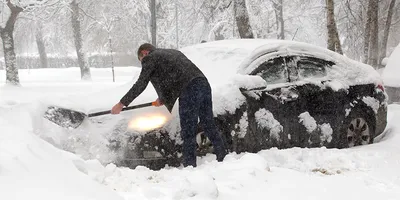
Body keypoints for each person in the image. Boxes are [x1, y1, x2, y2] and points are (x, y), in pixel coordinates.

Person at [111, 43, 227, 167]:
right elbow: (173, 76)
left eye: (141, 60)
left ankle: (190, 167)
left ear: (144, 53)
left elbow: (141, 83)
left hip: (189, 89)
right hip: (203, 84)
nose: (143, 63)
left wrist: (122, 103)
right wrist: (163, 98)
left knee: (188, 130)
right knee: (208, 124)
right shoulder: (173, 52)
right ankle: (223, 157)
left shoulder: (150, 57)